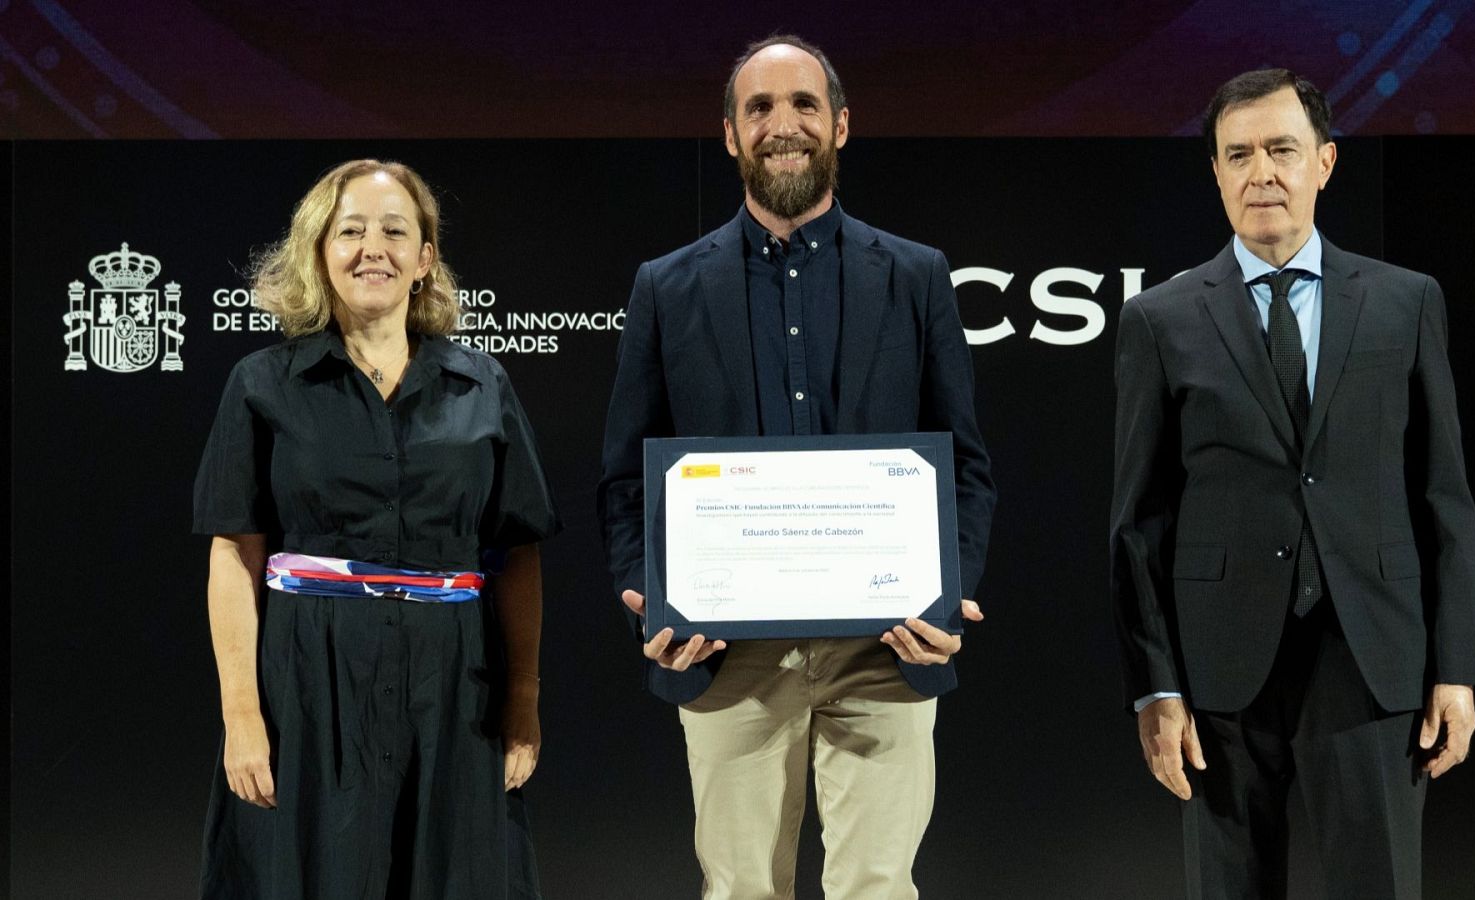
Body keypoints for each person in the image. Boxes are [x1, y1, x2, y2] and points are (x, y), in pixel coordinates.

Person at [597, 35, 996, 899]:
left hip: (888, 648)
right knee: (740, 889)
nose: (785, 125)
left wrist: (947, 590)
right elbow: (628, 477)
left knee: (879, 888)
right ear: (732, 136)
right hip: (725, 653)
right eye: (761, 109)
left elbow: (962, 461)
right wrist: (650, 597)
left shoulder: (917, 276)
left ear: (842, 125)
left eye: (805, 105)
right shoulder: (666, 288)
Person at [1110, 69, 1475, 899]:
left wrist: (1457, 665)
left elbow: (1444, 494)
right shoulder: (1161, 320)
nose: (1262, 173)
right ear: (1214, 173)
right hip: (1218, 678)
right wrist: (1157, 685)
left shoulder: (1406, 303)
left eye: (1282, 149)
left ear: (1324, 161)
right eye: (1238, 154)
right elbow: (1138, 522)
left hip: (1374, 659)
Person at [194, 159, 560, 899]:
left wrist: (523, 698)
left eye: (396, 231)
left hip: (456, 687)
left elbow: (516, 550)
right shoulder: (262, 385)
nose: (373, 248)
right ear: (319, 252)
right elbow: (234, 552)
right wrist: (241, 715)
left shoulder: (482, 384)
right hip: (309, 683)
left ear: (425, 259)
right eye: (351, 230)